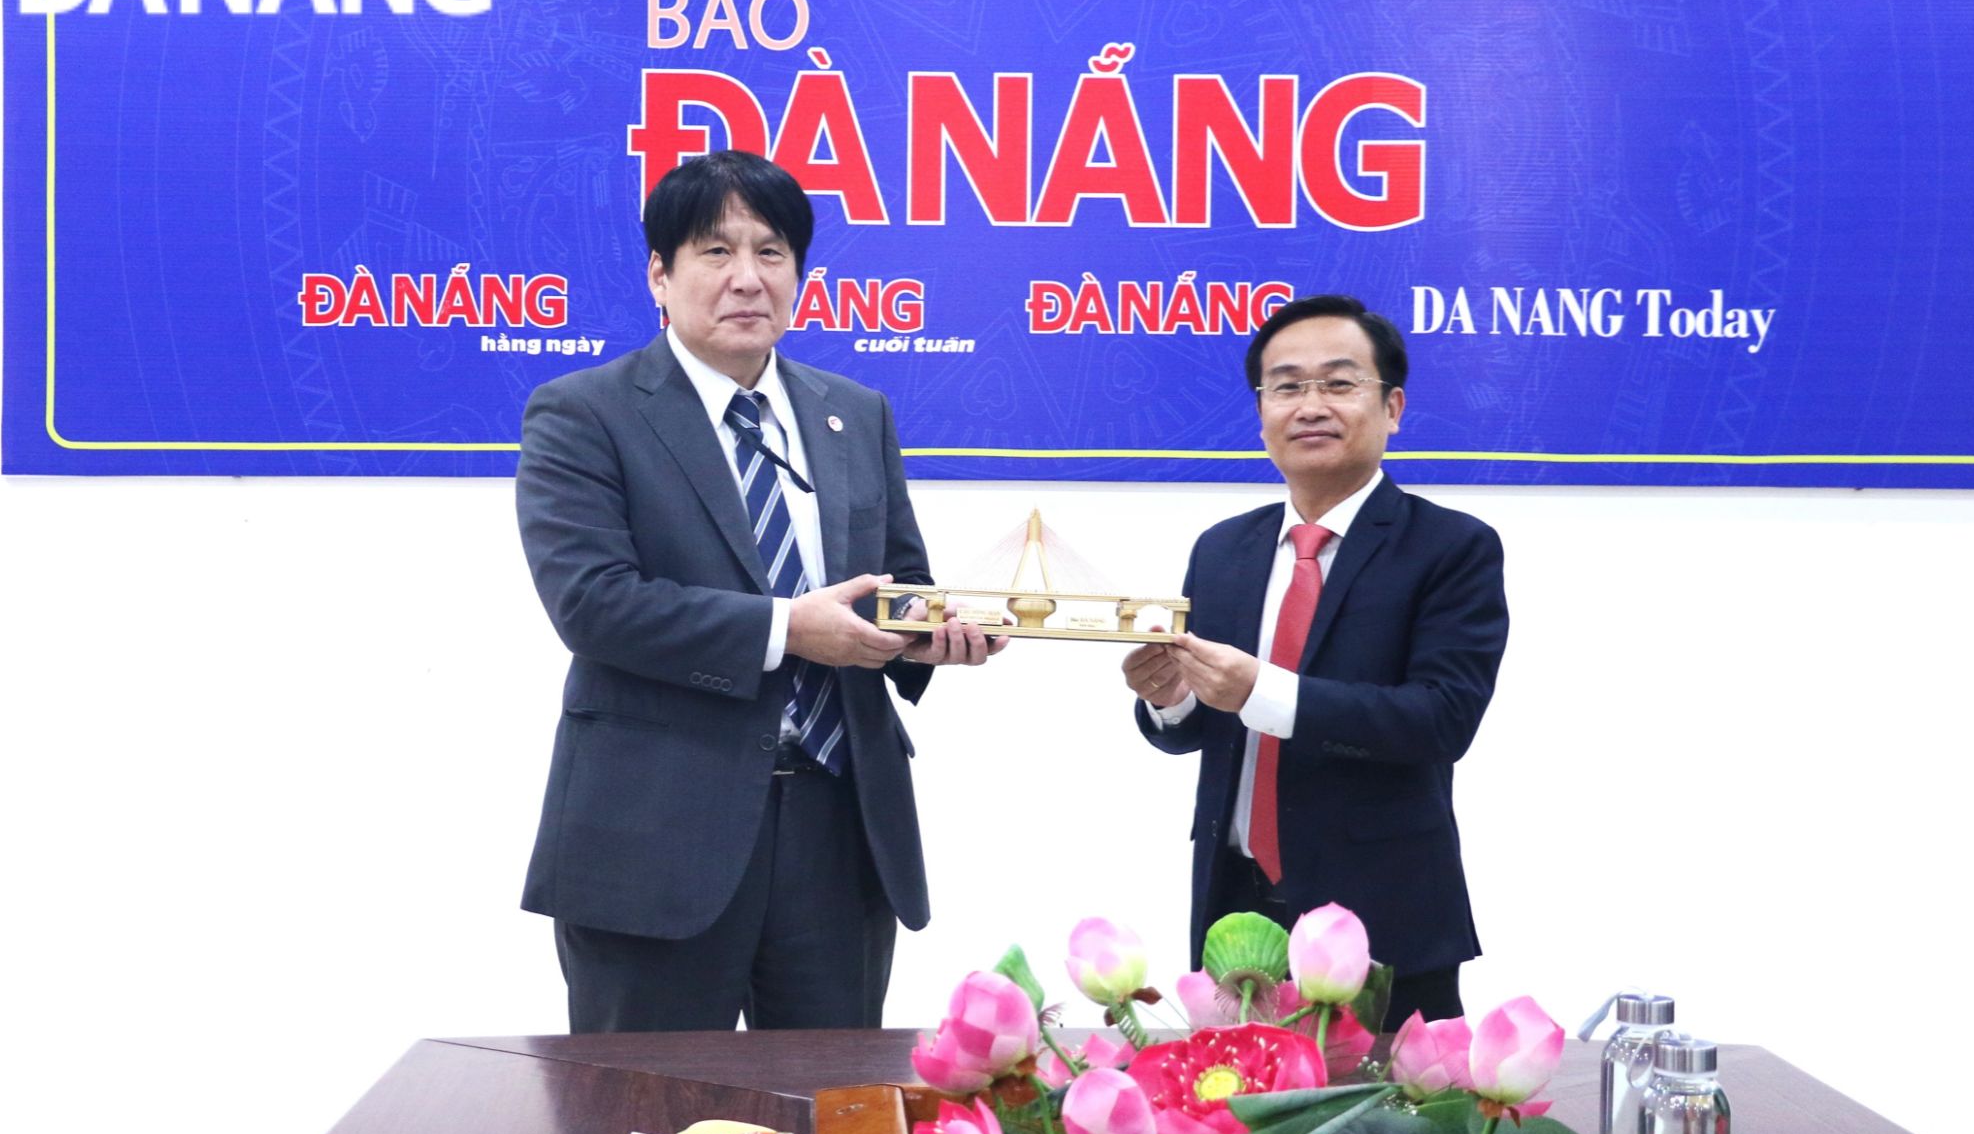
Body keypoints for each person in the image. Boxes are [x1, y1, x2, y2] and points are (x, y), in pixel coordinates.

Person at [515, 150, 1002, 1033]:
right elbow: (593, 602)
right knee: (645, 1120)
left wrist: (930, 633)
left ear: (800, 276)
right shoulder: (584, 411)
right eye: (715, 251)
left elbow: (897, 583)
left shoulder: (854, 411)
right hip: (655, 836)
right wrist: (789, 628)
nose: (748, 278)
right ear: (659, 274)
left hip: (837, 829)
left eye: (771, 252)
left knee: (834, 1118)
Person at [1123, 295, 1507, 1024]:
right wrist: (1168, 697)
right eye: (1287, 386)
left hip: (1383, 917)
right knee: (1227, 1127)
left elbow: (1442, 718)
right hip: (1234, 911)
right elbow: (1198, 728)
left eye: (1339, 383)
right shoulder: (1223, 548)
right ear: (1261, 409)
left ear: (1392, 406)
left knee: (1392, 1133)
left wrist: (1261, 690)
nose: (1310, 405)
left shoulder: (1451, 547)